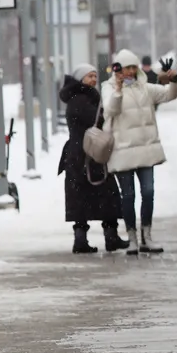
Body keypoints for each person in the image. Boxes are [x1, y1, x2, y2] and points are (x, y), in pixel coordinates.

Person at [102, 48, 177, 255]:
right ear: (118, 69)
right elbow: (110, 110)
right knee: (128, 196)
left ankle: (147, 235)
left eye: (133, 68)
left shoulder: (144, 88)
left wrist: (175, 80)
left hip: (145, 150)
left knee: (148, 192)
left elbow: (168, 95)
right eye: (126, 68)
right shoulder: (108, 88)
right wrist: (118, 90)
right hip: (122, 151)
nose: (130, 72)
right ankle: (132, 238)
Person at [57, 64, 127, 254]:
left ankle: (85, 239)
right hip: (86, 155)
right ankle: (106, 237)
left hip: (82, 154)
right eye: (89, 76)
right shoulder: (81, 99)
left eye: (95, 76)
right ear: (81, 79)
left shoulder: (79, 97)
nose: (93, 80)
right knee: (106, 192)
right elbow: (96, 120)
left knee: (83, 197)